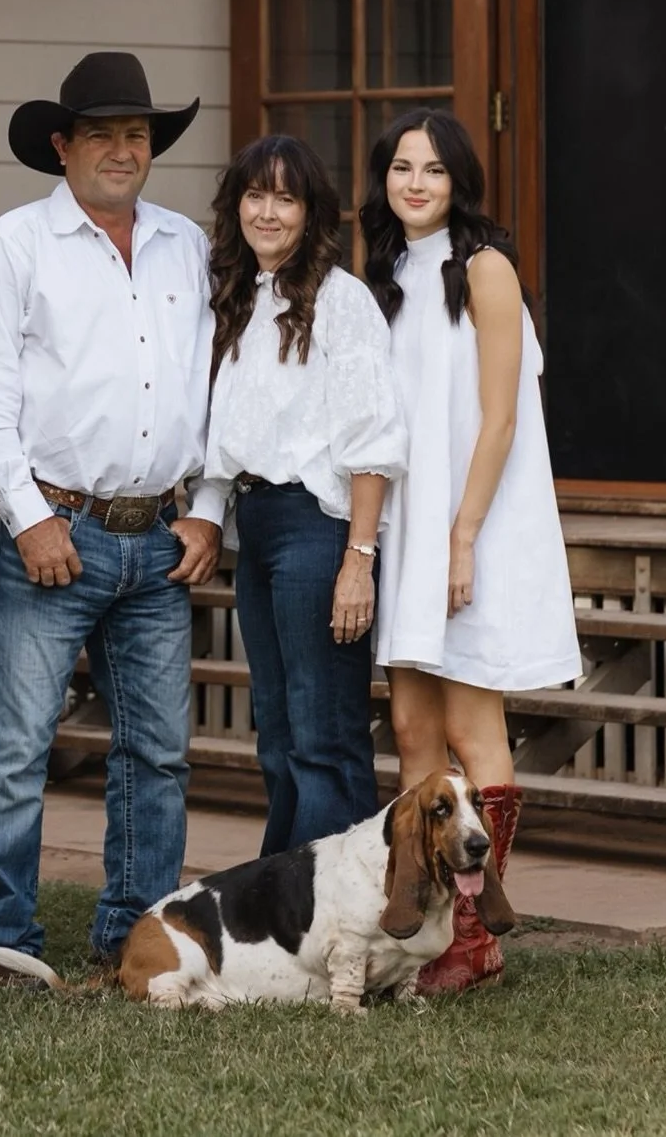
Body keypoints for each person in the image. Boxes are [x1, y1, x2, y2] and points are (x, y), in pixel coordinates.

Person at [0, 52, 225, 982]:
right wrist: (26, 518)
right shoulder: (12, 248)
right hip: (55, 533)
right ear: (61, 146)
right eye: (101, 132)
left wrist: (211, 509)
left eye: (136, 134)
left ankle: (134, 936)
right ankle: (1, 937)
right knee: (12, 750)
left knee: (159, 756)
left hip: (161, 539)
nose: (121, 149)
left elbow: (223, 391)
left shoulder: (188, 246)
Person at [361, 107, 581, 993]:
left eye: (434, 169)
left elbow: (499, 418)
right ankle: (428, 921)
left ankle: (478, 932)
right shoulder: (382, 274)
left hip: (473, 521)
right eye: (402, 167)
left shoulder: (484, 268)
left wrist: (462, 535)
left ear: (460, 182)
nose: (416, 182)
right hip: (409, 524)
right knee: (412, 727)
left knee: (468, 724)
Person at [202, 134, 406, 856]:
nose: (267, 211)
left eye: (285, 197)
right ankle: (286, 898)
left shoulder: (342, 302)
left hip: (317, 530)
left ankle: (336, 913)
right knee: (278, 734)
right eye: (256, 194)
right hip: (254, 524)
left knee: (324, 732)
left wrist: (359, 557)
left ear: (310, 210)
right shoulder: (235, 297)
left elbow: (375, 437)